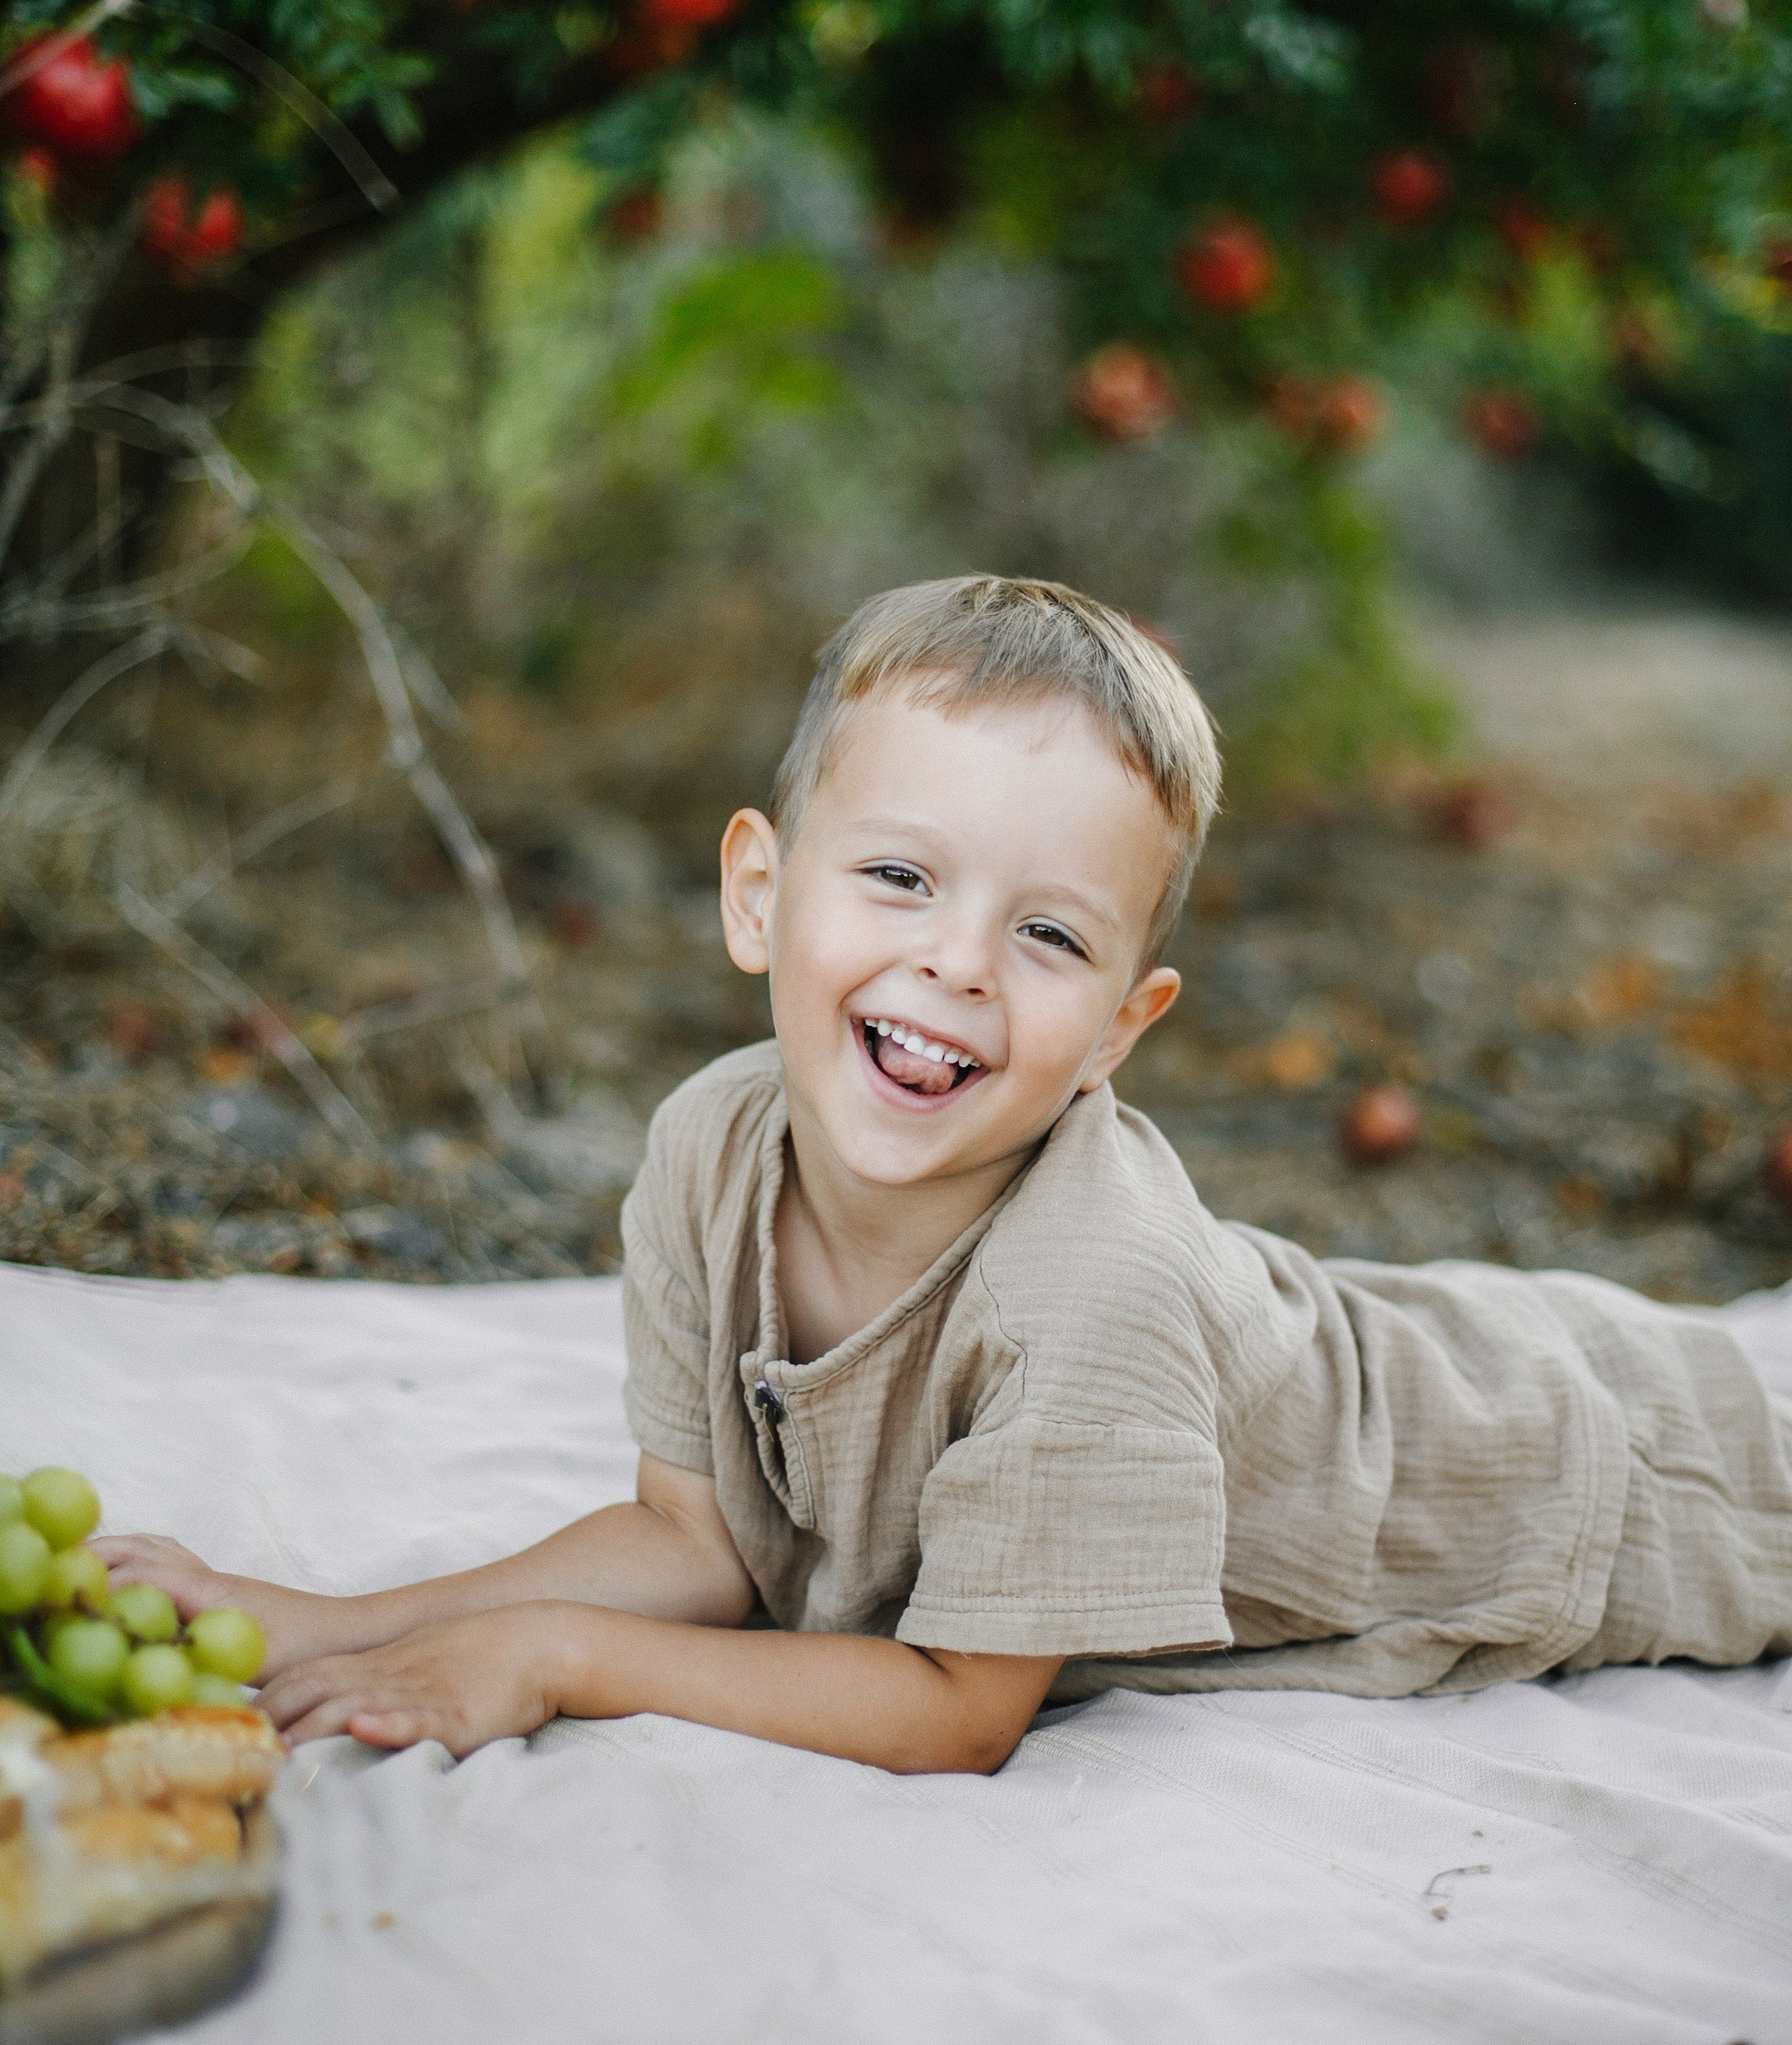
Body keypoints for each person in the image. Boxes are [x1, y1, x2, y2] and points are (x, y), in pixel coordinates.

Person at [97, 577, 1792, 1773]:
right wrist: (320, 1621)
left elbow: (958, 1710)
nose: (957, 963)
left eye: (1045, 933)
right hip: (1393, 1343)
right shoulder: (709, 1150)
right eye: (899, 876)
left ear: (1122, 1027)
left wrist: (546, 1658)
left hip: (1587, 1478)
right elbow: (697, 1542)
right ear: (757, 894)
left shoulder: (1086, 1288)